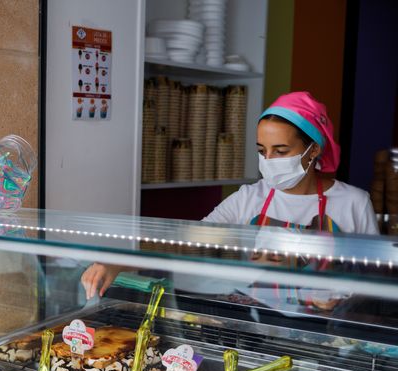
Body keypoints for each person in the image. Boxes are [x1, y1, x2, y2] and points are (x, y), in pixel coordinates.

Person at [82, 91, 379, 299]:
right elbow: (187, 240)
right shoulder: (248, 198)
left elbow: (373, 283)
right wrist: (119, 260)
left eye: (281, 151)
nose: (269, 160)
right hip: (256, 320)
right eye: (262, 151)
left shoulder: (353, 203)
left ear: (313, 149)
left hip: (324, 331)